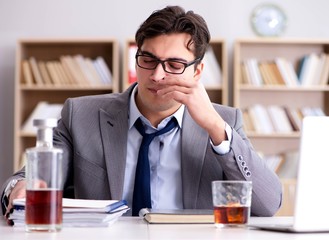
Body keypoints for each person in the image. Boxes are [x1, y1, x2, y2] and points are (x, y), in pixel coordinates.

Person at [1, 5, 282, 218]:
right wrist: (20, 187)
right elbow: (32, 176)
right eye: (148, 59)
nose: (157, 75)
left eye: (174, 64)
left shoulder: (224, 122)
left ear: (197, 72)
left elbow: (268, 205)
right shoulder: (80, 114)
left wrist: (215, 128)